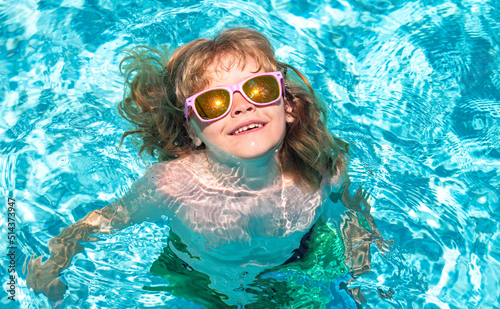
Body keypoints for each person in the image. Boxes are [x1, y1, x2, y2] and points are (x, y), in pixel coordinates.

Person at [26, 28, 386, 308]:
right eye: (214, 102)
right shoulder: (171, 186)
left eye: (259, 89)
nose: (242, 107)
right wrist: (52, 265)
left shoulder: (320, 166)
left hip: (299, 267)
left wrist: (360, 271)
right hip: (200, 281)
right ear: (193, 131)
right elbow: (101, 222)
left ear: (288, 106)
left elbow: (350, 212)